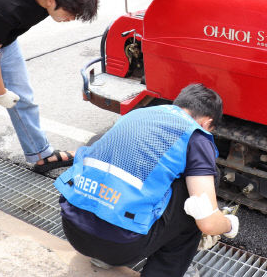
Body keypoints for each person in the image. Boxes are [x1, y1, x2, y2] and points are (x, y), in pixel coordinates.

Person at [0, 0, 184, 228]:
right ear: (50, 0)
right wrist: (0, 93)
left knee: (25, 100)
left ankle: (40, 154)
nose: (72, 19)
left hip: (5, 39)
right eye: (70, 13)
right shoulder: (8, 3)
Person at [56, 84, 239, 277]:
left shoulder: (138, 114)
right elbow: (207, 222)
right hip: (121, 245)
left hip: (73, 230)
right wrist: (228, 224)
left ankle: (102, 258)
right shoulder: (196, 136)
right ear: (206, 122)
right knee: (195, 203)